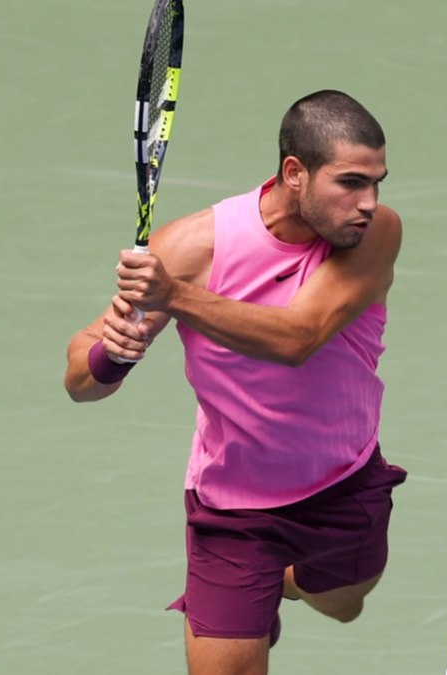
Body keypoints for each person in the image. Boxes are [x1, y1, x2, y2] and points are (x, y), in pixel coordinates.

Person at [63, 89, 407, 675]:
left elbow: (299, 337)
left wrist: (173, 296)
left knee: (343, 604)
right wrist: (112, 354)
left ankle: (286, 583)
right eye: (350, 182)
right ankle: (249, 589)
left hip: (344, 486)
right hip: (233, 511)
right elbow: (79, 380)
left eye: (376, 183)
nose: (369, 202)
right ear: (295, 173)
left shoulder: (376, 232)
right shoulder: (191, 248)